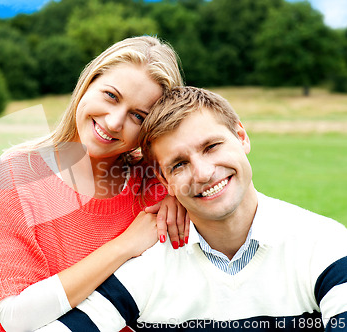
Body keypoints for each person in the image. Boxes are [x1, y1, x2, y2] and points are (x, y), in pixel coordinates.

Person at [38, 86, 347, 331]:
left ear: (241, 137)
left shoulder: (322, 245)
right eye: (179, 164)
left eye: (211, 147)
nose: (202, 173)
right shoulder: (149, 268)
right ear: (163, 179)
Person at [0, 36, 191, 332]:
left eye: (138, 116)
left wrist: (184, 199)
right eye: (111, 95)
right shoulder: (16, 173)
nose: (114, 122)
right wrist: (125, 245)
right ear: (88, 84)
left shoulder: (153, 181)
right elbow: (16, 318)